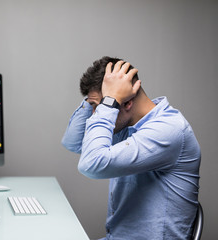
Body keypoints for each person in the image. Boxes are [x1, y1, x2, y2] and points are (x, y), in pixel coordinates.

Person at [61, 56, 201, 240]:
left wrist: (108, 101)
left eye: (98, 106)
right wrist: (93, 100)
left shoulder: (168, 129)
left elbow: (91, 164)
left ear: (126, 102)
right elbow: (74, 142)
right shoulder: (126, 125)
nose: (96, 114)